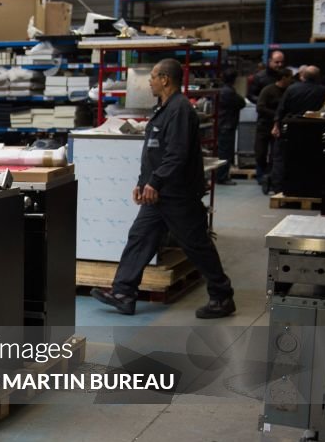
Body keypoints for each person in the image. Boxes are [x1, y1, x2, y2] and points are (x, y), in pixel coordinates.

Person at [91, 58, 235, 319]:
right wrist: (142, 183)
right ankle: (123, 292)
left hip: (177, 194)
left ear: (165, 79)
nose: (150, 81)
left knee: (196, 244)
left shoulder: (179, 110)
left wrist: (155, 182)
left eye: (154, 76)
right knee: (140, 236)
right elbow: (154, 154)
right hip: (158, 193)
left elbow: (176, 155)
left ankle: (222, 296)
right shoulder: (164, 109)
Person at [268, 65, 325, 193]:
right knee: (311, 160)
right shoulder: (323, 90)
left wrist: (276, 125)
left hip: (292, 128)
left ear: (303, 76)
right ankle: (310, 189)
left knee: (284, 158)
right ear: (318, 77)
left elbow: (282, 108)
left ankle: (280, 187)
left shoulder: (292, 89)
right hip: (314, 129)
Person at [253, 68, 292, 189]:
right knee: (261, 152)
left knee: (275, 154)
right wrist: (276, 114)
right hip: (264, 126)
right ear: (284, 78)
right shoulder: (268, 90)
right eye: (289, 77)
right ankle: (261, 175)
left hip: (279, 127)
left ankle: (270, 177)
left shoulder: (288, 91)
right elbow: (260, 107)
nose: (291, 80)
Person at [216, 70, 245, 184]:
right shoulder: (228, 92)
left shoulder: (223, 90)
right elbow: (241, 103)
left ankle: (221, 175)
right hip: (226, 125)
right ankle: (222, 177)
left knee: (223, 151)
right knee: (225, 152)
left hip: (223, 124)